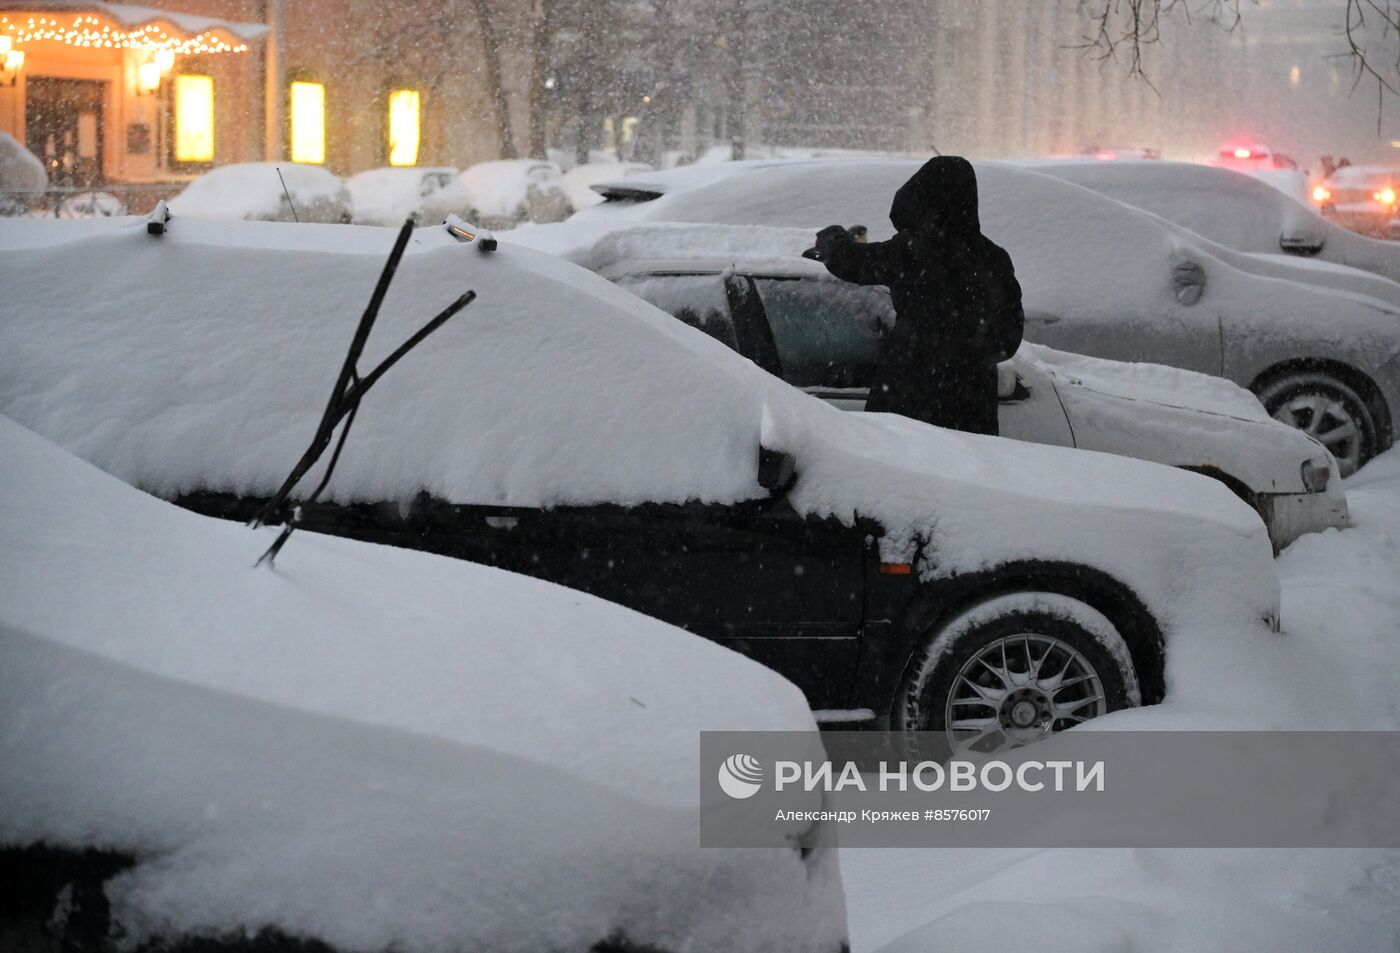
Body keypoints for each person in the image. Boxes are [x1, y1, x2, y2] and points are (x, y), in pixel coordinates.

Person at [812, 156, 1023, 435]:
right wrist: (970, 355)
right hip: (972, 407)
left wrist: (833, 239)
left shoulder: (912, 250)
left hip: (907, 396)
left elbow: (853, 263)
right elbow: (1009, 338)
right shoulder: (994, 258)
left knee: (904, 474)